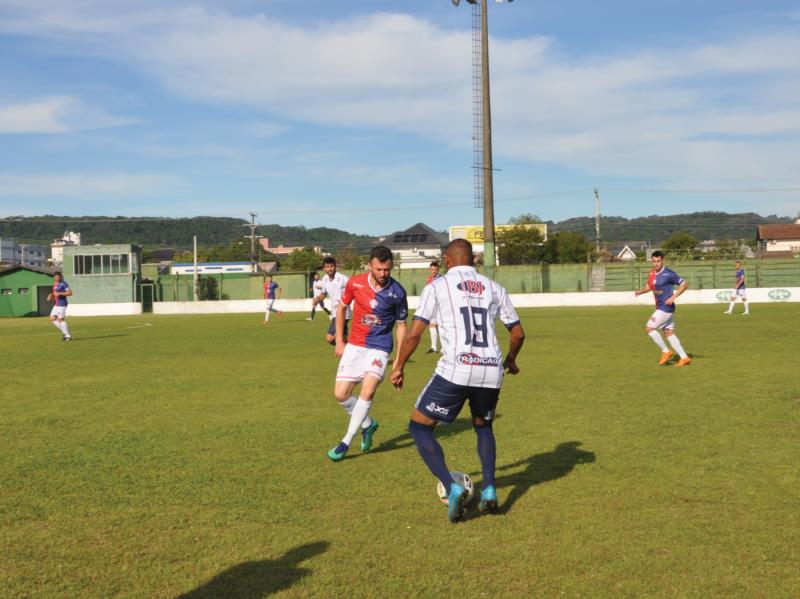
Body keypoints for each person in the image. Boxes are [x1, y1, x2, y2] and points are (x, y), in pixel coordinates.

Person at [390, 239, 525, 523]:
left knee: (419, 427)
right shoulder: (495, 287)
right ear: (474, 259)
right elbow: (518, 333)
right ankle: (489, 488)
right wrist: (510, 359)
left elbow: (414, 333)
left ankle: (450, 485)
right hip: (490, 370)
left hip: (456, 368)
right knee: (483, 425)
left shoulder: (437, 286)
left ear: (447, 260)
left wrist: (399, 364)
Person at [326, 246, 408, 461]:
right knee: (341, 394)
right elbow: (342, 308)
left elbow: (401, 326)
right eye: (379, 269)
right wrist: (340, 341)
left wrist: (399, 361)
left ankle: (345, 442)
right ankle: (368, 424)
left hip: (380, 347)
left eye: (387, 270)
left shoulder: (397, 292)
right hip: (355, 345)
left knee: (368, 391)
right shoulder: (355, 282)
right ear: (370, 265)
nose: (383, 274)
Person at [634, 250, 691, 366]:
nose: (656, 264)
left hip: (666, 307)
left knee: (649, 328)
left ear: (663, 260)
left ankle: (666, 351)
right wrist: (641, 292)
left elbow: (684, 284)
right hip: (661, 307)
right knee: (668, 332)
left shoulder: (669, 273)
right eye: (654, 261)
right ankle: (684, 358)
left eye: (658, 261)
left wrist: (673, 297)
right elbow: (649, 286)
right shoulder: (652, 273)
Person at [318, 256, 350, 345]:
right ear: (324, 268)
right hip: (335, 312)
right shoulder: (324, 279)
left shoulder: (343, 278)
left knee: (330, 338)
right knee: (343, 338)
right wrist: (317, 299)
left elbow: (354, 290)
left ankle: (351, 350)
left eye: (331, 266)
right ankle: (353, 351)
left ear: (335, 267)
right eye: (327, 267)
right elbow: (324, 293)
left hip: (343, 312)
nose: (330, 269)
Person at [47, 271, 73, 341]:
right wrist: (51, 296)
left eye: (59, 277)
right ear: (54, 277)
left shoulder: (64, 284)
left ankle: (68, 335)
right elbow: (55, 293)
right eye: (56, 277)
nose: (58, 278)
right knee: (52, 319)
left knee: (61, 319)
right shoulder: (55, 284)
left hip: (62, 304)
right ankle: (67, 332)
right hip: (56, 304)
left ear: (61, 277)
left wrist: (60, 293)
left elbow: (70, 293)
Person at [425, 261, 441, 354]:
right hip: (433, 305)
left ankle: (437, 348)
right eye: (432, 269)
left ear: (438, 270)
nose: (434, 271)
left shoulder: (441, 279)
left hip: (439, 305)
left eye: (435, 269)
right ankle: (434, 348)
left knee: (438, 325)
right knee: (433, 325)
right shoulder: (429, 279)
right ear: (430, 270)